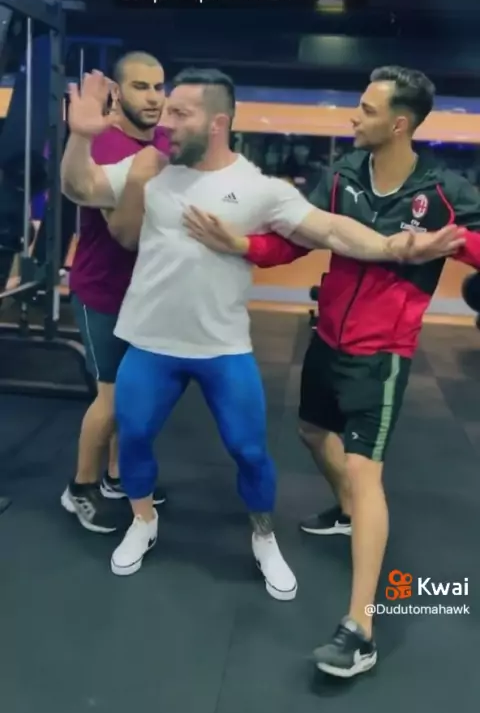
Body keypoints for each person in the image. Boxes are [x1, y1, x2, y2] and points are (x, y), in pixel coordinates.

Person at [60, 66, 463, 601]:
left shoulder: (258, 188)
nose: (165, 120)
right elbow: (80, 186)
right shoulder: (147, 167)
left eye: (180, 112)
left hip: (223, 350)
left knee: (250, 451)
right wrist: (80, 137)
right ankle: (142, 520)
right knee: (133, 437)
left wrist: (393, 247)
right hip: (150, 344)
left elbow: (329, 228)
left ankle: (264, 536)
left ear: (217, 123)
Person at [183, 65, 480, 676]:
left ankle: (359, 630)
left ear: (398, 124)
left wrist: (450, 241)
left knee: (367, 473)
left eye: (367, 109)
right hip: (327, 338)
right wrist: (241, 244)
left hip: (382, 353)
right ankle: (349, 513)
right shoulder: (343, 176)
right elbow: (296, 239)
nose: (354, 116)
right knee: (313, 433)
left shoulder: (442, 191)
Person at [63, 52, 169, 534]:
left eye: (159, 86)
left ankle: (117, 475)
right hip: (102, 291)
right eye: (141, 87)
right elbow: (123, 229)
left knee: (135, 394)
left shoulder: (163, 142)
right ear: (118, 93)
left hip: (144, 293)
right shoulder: (107, 143)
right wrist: (81, 136)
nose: (153, 97)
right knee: (112, 397)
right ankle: (79, 488)